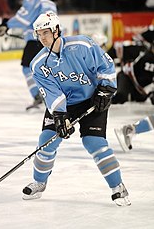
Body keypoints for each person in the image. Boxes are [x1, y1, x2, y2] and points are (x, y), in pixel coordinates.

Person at [22, 11, 131, 206]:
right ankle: (39, 182)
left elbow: (105, 67)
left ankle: (118, 187)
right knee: (46, 142)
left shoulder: (82, 45)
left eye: (45, 33)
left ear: (56, 30)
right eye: (38, 34)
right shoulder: (38, 64)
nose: (42, 38)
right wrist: (60, 116)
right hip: (64, 104)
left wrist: (105, 90)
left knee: (94, 142)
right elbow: (52, 93)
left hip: (92, 100)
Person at [0, 0, 57, 110]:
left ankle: (38, 95)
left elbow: (23, 19)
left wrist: (6, 24)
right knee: (48, 68)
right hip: (52, 40)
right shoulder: (50, 3)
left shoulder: (33, 1)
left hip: (36, 40)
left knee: (27, 67)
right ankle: (53, 97)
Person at [111, 26, 154, 104]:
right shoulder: (144, 54)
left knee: (140, 98)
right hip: (128, 78)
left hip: (142, 87)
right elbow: (116, 48)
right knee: (121, 97)